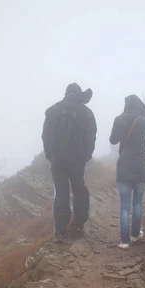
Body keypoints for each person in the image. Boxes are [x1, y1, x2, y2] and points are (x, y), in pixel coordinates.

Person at [42, 83, 97, 241]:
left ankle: (60, 231)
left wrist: (49, 155)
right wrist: (86, 156)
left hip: (57, 160)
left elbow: (45, 135)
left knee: (60, 193)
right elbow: (91, 137)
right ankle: (78, 226)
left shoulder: (53, 110)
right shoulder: (87, 113)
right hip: (78, 160)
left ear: (66, 93)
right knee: (79, 190)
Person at [109, 95, 145, 249]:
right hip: (141, 167)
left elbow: (113, 140)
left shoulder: (119, 119)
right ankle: (135, 235)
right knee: (138, 203)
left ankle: (125, 241)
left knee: (125, 206)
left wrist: (119, 125)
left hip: (124, 167)